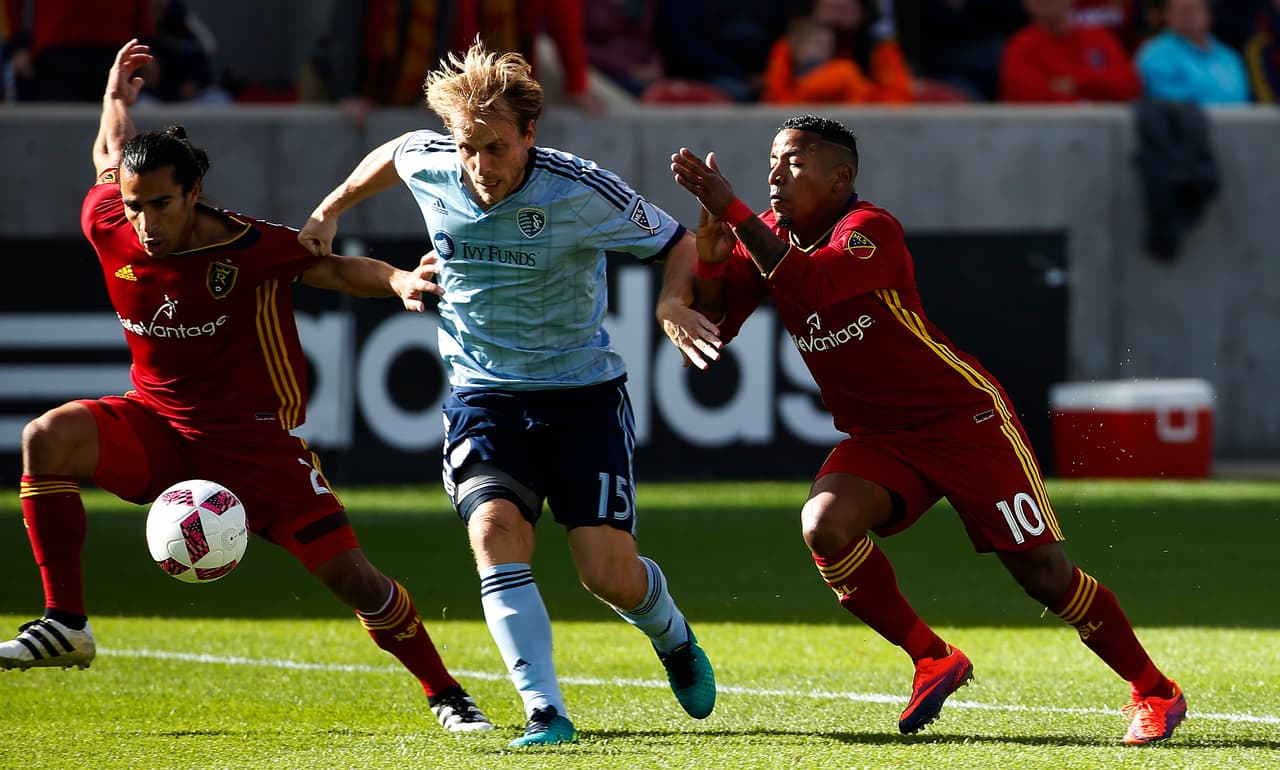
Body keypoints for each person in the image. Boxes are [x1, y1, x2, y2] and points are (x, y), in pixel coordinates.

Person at [0, 39, 494, 736]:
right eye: (136, 206)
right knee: (45, 438)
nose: (145, 223)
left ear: (194, 193)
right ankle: (66, 622)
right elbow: (107, 157)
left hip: (252, 440)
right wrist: (115, 101)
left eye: (162, 205)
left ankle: (446, 692)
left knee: (354, 580)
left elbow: (336, 270)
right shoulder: (109, 220)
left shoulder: (248, 248)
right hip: (157, 422)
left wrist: (401, 282)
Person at [662, 114, 1187, 746]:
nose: (774, 174)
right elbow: (721, 319)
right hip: (881, 436)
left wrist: (735, 211)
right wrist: (715, 265)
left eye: (793, 164)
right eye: (771, 161)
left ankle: (1154, 690)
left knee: (1042, 575)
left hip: (962, 421)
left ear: (840, 178)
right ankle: (932, 657)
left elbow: (818, 286)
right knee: (825, 526)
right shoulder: (765, 234)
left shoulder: (870, 231)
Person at [297, 40, 716, 747]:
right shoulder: (435, 162)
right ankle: (546, 711)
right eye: (467, 148)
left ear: (530, 134)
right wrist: (330, 209)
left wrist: (671, 301)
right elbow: (399, 149)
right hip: (482, 396)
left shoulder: (580, 190)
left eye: (495, 148)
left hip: (582, 396)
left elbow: (677, 241)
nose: (479, 167)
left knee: (606, 573)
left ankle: (672, 637)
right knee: (494, 533)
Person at [1, 0, 152, 101]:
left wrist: (146, 46)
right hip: (58, 55)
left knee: (116, 132)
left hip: (115, 53)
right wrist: (17, 43)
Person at [1000, 0, 1142, 102]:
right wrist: (1094, 93)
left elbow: (1128, 84)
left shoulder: (1098, 37)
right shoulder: (1020, 45)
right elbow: (1028, 97)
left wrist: (1076, 82)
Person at [1135, 0, 1252, 104]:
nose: (1189, 14)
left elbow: (1244, 100)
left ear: (1209, 11)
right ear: (1166, 14)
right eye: (1183, 10)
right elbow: (1173, 107)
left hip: (1239, 126)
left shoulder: (1229, 56)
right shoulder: (1153, 55)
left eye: (1195, 7)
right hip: (1186, 127)